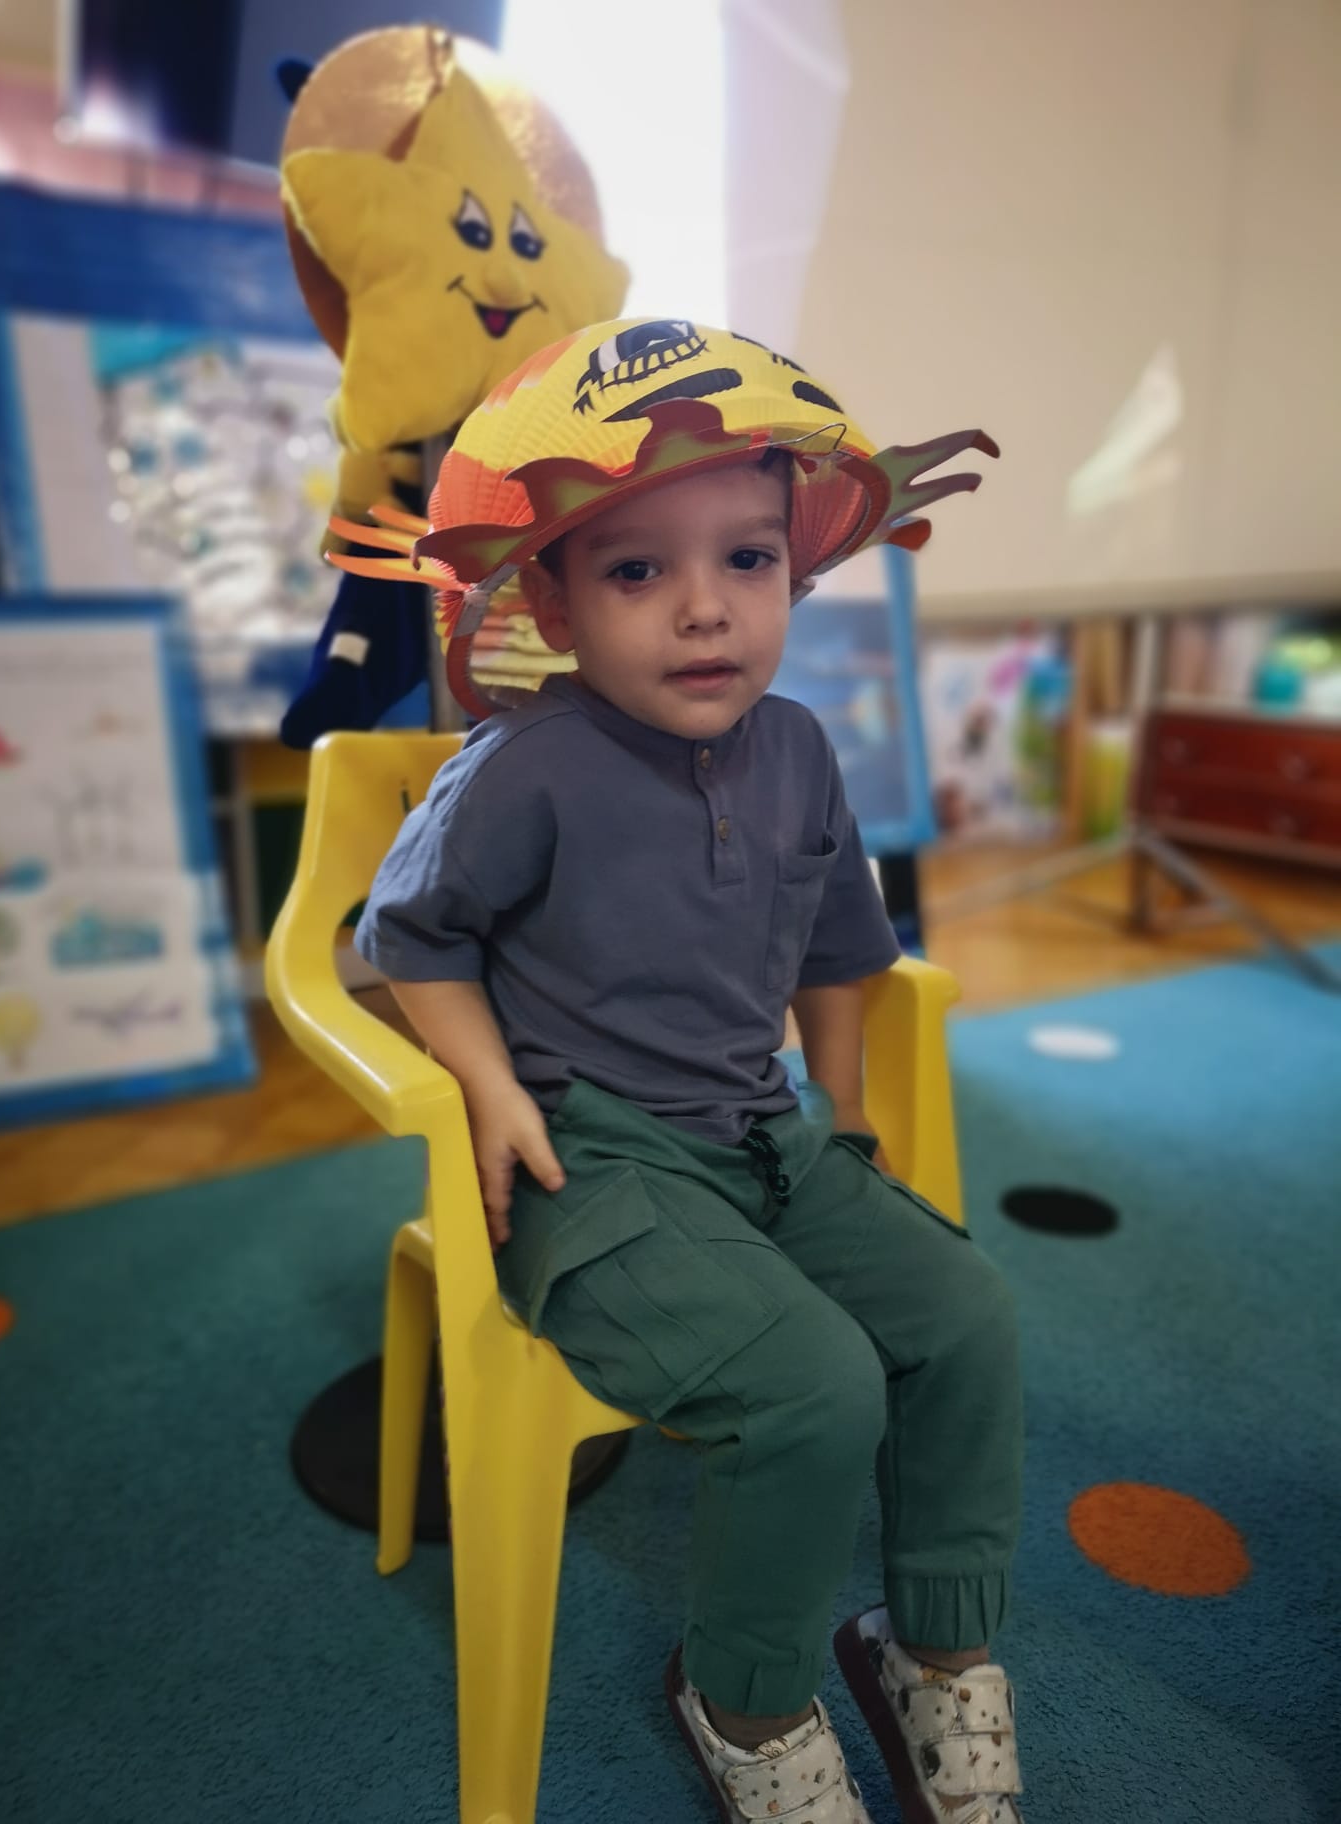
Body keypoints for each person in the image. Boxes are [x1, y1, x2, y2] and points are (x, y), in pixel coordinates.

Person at [353, 319, 1023, 1823]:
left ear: (796, 572)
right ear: (555, 601)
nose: (706, 608)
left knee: (967, 1318)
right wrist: (490, 1090)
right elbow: (409, 938)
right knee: (813, 1388)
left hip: (762, 1137)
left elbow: (840, 946)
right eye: (639, 570)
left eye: (748, 560)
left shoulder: (800, 748)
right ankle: (746, 1702)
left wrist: (846, 1105)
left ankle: (935, 1648)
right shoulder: (524, 766)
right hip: (591, 1167)